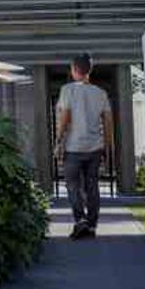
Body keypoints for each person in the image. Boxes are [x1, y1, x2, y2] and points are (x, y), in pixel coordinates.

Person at [55, 53, 114, 239]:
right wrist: (107, 147)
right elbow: (108, 122)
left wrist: (58, 141)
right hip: (95, 148)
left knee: (73, 186)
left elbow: (65, 117)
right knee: (92, 186)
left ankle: (80, 220)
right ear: (90, 70)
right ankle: (92, 225)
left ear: (74, 69)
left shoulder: (67, 90)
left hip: (73, 147)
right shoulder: (100, 93)